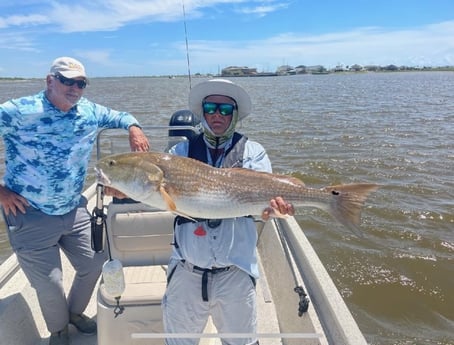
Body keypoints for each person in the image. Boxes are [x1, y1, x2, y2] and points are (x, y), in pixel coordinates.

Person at [0, 57, 149, 345]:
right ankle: (58, 330)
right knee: (51, 283)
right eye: (67, 81)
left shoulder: (89, 111)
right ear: (50, 81)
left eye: (80, 83)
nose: (74, 88)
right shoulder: (17, 111)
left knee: (97, 263)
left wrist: (134, 127)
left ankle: (74, 314)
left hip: (74, 206)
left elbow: (121, 115)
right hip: (29, 212)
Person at [162, 79, 294, 345]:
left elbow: (265, 198)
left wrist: (276, 210)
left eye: (225, 109)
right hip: (186, 271)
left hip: (236, 273)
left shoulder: (253, 152)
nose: (216, 114)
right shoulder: (180, 153)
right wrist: (123, 189)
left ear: (234, 114)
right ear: (202, 112)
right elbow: (157, 194)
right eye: (210, 107)